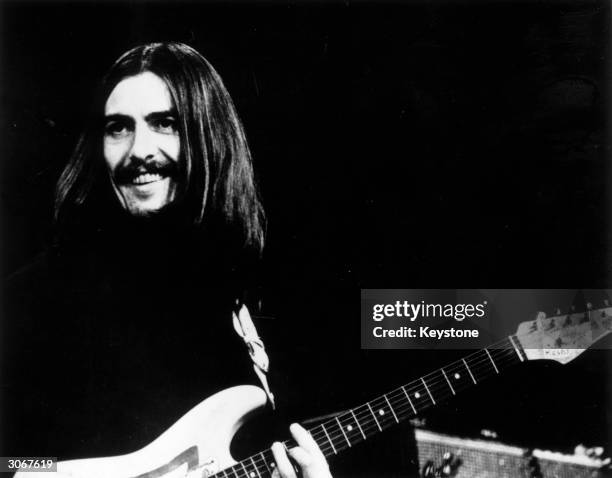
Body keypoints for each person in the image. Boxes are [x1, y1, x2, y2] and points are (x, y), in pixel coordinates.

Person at [3, 42, 331, 478]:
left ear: (208, 136)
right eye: (118, 127)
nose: (139, 150)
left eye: (165, 124)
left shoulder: (242, 306)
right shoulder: (35, 297)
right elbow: (8, 464)